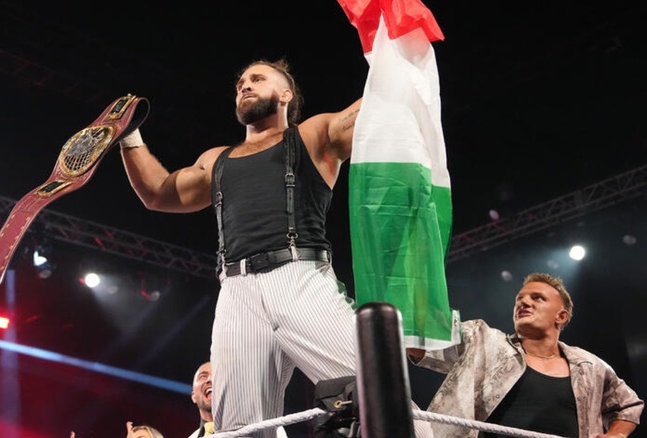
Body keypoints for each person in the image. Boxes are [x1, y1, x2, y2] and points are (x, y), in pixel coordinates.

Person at [119, 59, 433, 438]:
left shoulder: (313, 136)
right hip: (236, 292)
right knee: (238, 431)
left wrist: (397, 54)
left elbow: (380, 106)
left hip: (301, 279)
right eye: (241, 83)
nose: (245, 85)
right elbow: (158, 192)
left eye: (258, 78)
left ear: (285, 94)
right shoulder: (217, 160)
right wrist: (128, 135)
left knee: (380, 396)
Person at [408, 272, 644, 437]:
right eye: (519, 299)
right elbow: (421, 342)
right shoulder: (482, 339)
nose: (524, 303)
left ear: (561, 316)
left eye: (537, 298)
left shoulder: (589, 366)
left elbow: (628, 405)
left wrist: (616, 435)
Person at [188, 360, 288, 438]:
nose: (210, 379)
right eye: (203, 376)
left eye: (217, 375)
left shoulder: (264, 425)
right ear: (193, 396)